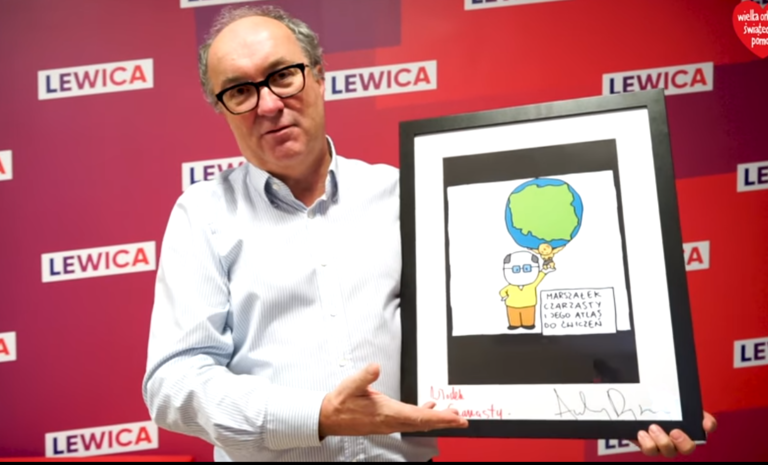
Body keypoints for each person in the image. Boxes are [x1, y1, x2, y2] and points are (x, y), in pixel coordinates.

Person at [141, 4, 717, 462]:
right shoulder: (201, 215)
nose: (269, 104)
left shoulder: (409, 195)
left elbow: (494, 320)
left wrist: (639, 395)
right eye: (240, 90)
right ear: (222, 108)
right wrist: (316, 415)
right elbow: (172, 383)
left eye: (283, 76)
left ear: (318, 76)